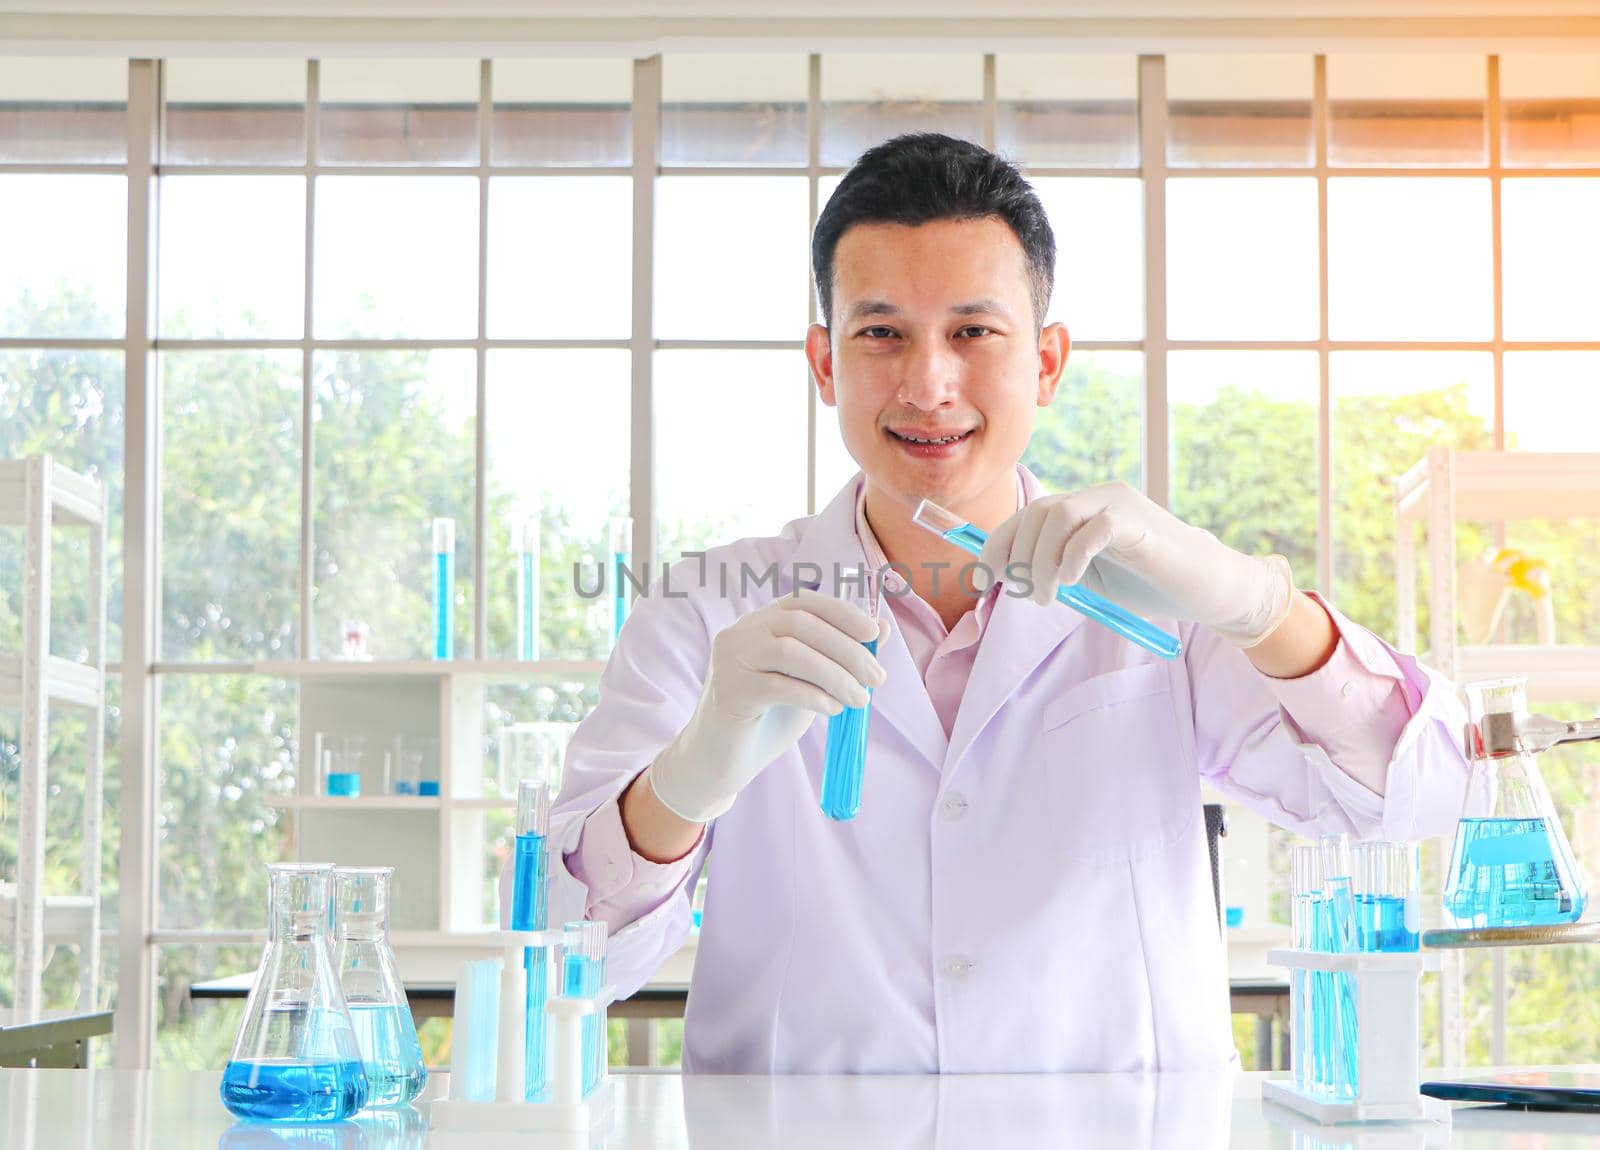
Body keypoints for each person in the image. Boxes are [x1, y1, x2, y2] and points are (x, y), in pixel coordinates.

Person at [515, 133, 1472, 1074]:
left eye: (973, 332)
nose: (929, 384)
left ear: (1048, 362)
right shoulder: (703, 612)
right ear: (823, 363)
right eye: (881, 332)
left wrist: (1261, 606)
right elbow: (561, 965)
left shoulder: (1159, 600)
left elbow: (1422, 796)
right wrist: (682, 783)